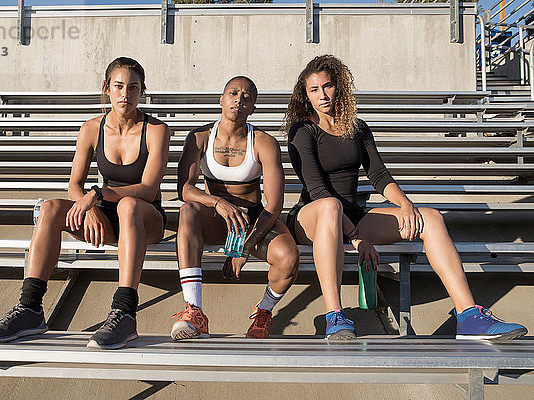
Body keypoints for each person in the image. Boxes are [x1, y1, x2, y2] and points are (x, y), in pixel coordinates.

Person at [285, 54, 527, 341]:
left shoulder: (357, 127)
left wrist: (406, 205)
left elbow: (378, 175)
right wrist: (357, 238)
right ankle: (335, 316)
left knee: (431, 219)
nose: (322, 95)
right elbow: (317, 190)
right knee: (330, 206)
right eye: (314, 90)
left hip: (353, 216)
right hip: (312, 217)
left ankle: (468, 315)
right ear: (306, 96)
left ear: (339, 87)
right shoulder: (303, 131)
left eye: (327, 86)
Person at [0, 57, 170, 349]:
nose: (125, 94)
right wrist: (90, 204)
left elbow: (149, 188)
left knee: (128, 205)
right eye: (118, 86)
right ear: (107, 88)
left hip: (145, 217)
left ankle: (125, 313)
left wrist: (98, 195)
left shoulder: (156, 130)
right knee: (49, 208)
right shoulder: (91, 129)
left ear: (142, 91)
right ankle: (30, 309)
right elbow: (73, 186)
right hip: (104, 213)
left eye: (133, 87)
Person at [171, 76, 299, 340]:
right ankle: (194, 312)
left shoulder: (263, 142)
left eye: (247, 97)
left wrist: (245, 247)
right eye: (233, 93)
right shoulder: (200, 137)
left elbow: (274, 204)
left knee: (288, 258)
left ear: (253, 108)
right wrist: (217, 201)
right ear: (221, 99)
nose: (239, 100)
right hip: (216, 218)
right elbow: (185, 189)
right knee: (188, 211)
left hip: (252, 219)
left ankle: (263, 312)